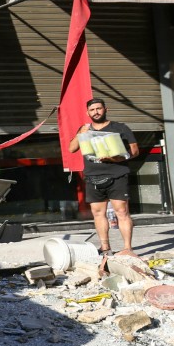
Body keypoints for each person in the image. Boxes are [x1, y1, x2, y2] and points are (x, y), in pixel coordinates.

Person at [67, 97, 139, 256]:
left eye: (99, 108)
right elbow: (71, 148)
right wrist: (80, 133)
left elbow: (134, 151)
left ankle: (128, 249)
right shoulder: (84, 129)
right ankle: (105, 248)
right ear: (87, 113)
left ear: (106, 109)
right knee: (98, 213)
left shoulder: (120, 127)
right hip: (93, 176)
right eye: (92, 110)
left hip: (117, 175)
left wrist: (117, 158)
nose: (96, 112)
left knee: (122, 212)